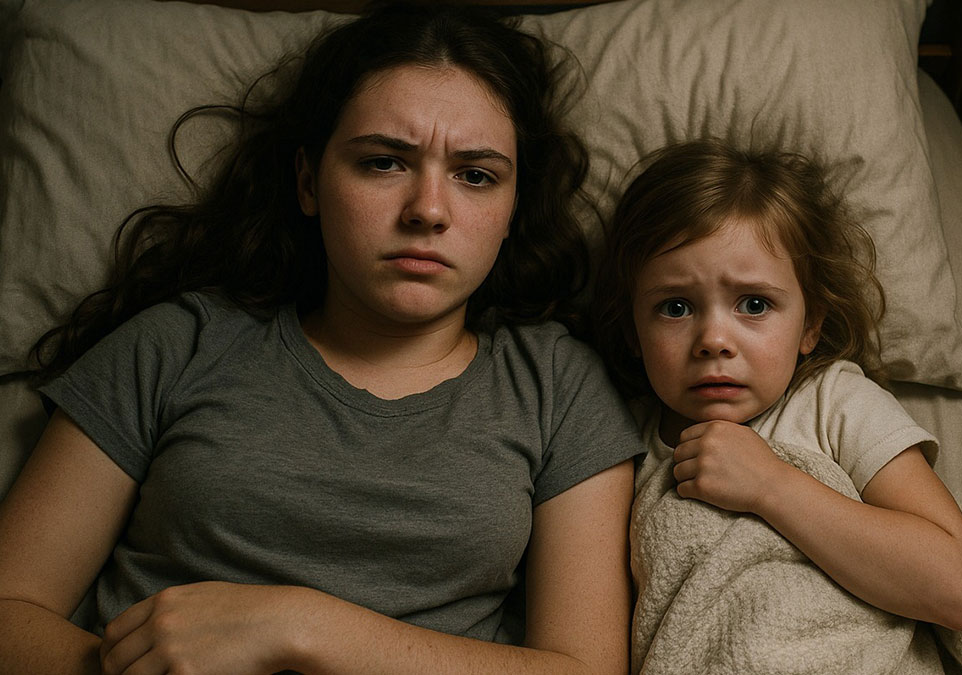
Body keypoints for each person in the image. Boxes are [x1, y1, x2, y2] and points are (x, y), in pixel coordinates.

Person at [0, 4, 641, 674]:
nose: (427, 209)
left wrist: (305, 625)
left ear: (513, 207)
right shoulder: (175, 343)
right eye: (384, 162)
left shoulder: (558, 384)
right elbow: (10, 607)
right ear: (309, 181)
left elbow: (585, 667)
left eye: (476, 174)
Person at [592, 139, 962, 670]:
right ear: (634, 329)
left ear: (811, 324)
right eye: (675, 306)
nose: (713, 339)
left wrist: (769, 485)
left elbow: (955, 587)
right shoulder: (616, 444)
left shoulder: (834, 402)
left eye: (754, 304)